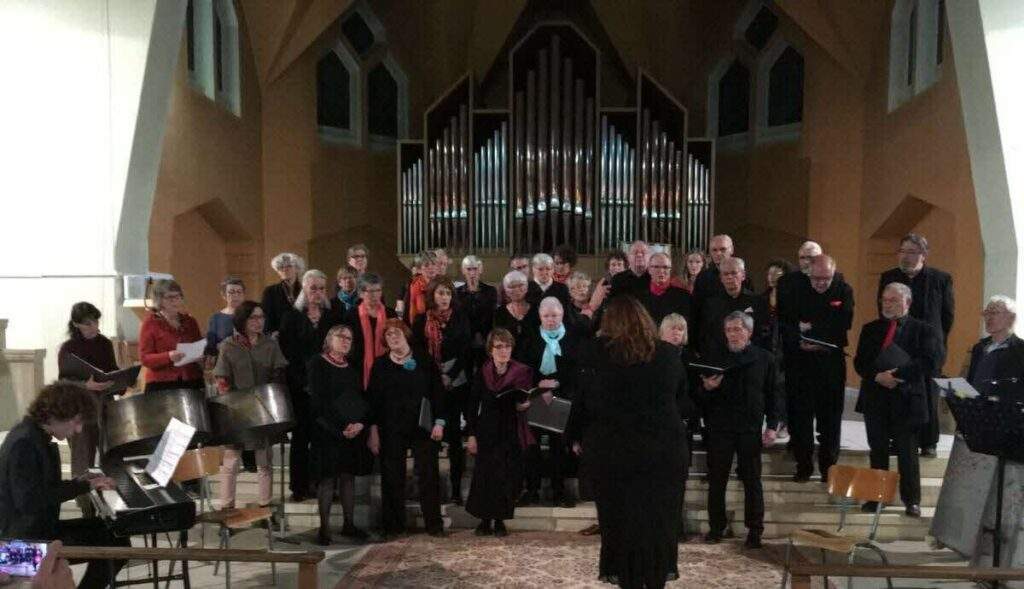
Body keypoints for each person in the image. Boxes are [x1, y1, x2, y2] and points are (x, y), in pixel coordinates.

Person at [567, 296, 692, 587]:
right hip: (664, 454)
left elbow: (582, 401)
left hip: (614, 453)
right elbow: (683, 403)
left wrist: (574, 436)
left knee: (619, 526)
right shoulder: (668, 354)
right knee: (659, 525)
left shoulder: (596, 353)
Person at [0, 382, 129, 589]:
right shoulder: (24, 443)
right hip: (15, 552)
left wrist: (85, 482)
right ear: (55, 415)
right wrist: (84, 486)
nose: (78, 430)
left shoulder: (35, 435)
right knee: (114, 546)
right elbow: (30, 501)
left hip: (35, 533)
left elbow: (42, 488)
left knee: (113, 531)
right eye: (76, 421)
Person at [931, 296, 1024, 568]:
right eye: (986, 312)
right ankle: (962, 541)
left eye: (994, 312)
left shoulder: (1021, 350)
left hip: (1004, 429)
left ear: (1010, 318)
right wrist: (959, 394)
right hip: (977, 424)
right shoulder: (979, 348)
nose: (988, 317)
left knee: (997, 495)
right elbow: (970, 383)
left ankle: (993, 553)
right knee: (970, 491)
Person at [853, 282, 943, 517]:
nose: (887, 304)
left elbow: (928, 362)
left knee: (907, 451)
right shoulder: (871, 328)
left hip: (907, 398)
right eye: (885, 300)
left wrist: (896, 375)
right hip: (876, 396)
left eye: (893, 300)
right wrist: (877, 376)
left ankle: (911, 500)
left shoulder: (924, 330)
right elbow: (860, 361)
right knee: (878, 449)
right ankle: (876, 497)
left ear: (908, 302)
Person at [695, 311, 778, 548]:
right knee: (717, 479)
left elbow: (774, 395)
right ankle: (716, 527)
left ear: (749, 332)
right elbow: (699, 398)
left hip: (750, 428)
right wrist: (708, 389)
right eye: (729, 330)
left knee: (752, 480)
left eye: (737, 329)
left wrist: (772, 426)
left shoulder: (765, 358)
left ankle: (755, 531)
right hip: (720, 428)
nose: (732, 334)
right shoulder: (713, 358)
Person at [876, 233, 954, 458]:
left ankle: (928, 442)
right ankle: (897, 438)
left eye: (911, 252)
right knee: (898, 391)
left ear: (923, 255)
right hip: (899, 344)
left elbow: (947, 316)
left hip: (929, 346)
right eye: (902, 251)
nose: (906, 257)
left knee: (928, 393)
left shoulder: (941, 279)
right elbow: (882, 309)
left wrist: (937, 342)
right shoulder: (889, 277)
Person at [366, 319, 446, 538]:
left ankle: (434, 524)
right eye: (389, 334)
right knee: (392, 476)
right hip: (391, 428)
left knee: (428, 475)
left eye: (397, 333)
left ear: (406, 334)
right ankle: (393, 526)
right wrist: (373, 432)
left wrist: (440, 422)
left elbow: (437, 392)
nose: (393, 337)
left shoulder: (423, 360)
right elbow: (373, 401)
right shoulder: (381, 365)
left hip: (423, 426)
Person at [784, 255, 854, 483]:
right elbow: (787, 322)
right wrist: (802, 336)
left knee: (831, 419)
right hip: (801, 362)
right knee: (800, 418)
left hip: (830, 363)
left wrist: (813, 329)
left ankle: (828, 469)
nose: (821, 283)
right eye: (816, 278)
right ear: (808, 274)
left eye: (826, 278)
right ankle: (803, 466)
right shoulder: (797, 289)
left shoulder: (844, 290)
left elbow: (843, 322)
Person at [277, 270, 346, 501]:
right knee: (301, 438)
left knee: (325, 438)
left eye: (321, 288)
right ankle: (299, 487)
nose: (317, 292)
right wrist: (304, 383)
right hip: (301, 388)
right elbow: (287, 355)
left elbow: (340, 349)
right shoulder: (291, 317)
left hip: (328, 387)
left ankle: (324, 485)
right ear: (304, 290)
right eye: (313, 288)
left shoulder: (333, 314)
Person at [212, 301, 287, 510]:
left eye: (261, 317)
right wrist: (233, 404)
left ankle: (265, 507)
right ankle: (227, 508)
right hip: (236, 411)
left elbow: (278, 373)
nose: (258, 322)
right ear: (242, 321)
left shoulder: (270, 344)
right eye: (253, 318)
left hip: (263, 409)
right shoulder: (229, 345)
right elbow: (221, 378)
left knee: (264, 461)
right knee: (231, 461)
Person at [308, 324, 373, 545]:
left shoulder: (352, 368)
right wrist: (340, 428)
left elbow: (359, 399)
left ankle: (349, 524)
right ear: (329, 339)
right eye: (341, 336)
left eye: (350, 338)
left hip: (351, 432)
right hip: (327, 431)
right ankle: (324, 528)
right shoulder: (317, 364)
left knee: (348, 476)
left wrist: (359, 424)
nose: (346, 341)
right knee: (327, 479)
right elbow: (318, 401)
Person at [465, 328, 533, 538]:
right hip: (486, 430)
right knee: (485, 477)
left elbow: (525, 399)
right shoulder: (482, 372)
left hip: (510, 430)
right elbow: (472, 405)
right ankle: (485, 521)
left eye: (507, 346)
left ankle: (501, 520)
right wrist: (471, 434)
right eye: (499, 347)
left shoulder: (521, 371)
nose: (504, 351)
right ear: (490, 350)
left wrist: (525, 405)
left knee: (505, 477)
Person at [412, 277, 472, 505]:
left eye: (448, 293)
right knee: (428, 438)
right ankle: (430, 491)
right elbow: (417, 351)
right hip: (429, 382)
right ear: (432, 296)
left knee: (455, 438)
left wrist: (451, 374)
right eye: (440, 293)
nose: (444, 297)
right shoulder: (420, 320)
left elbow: (466, 350)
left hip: (456, 382)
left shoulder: (461, 318)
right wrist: (436, 375)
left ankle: (456, 489)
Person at [518, 297, 583, 508]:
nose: (551, 320)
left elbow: (576, 370)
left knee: (558, 447)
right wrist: (540, 385)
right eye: (546, 316)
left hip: (562, 398)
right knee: (532, 447)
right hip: (535, 397)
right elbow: (523, 367)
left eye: (555, 315)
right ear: (540, 317)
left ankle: (558, 492)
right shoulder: (530, 337)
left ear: (562, 315)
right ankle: (532, 490)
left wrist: (554, 388)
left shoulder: (572, 337)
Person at [56, 302, 118, 518]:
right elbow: (63, 382)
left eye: (96, 322)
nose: (94, 327)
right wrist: (86, 385)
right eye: (88, 324)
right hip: (78, 411)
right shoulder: (68, 348)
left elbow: (113, 370)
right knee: (83, 461)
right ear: (76, 324)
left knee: (111, 455)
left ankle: (112, 506)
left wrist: (117, 379)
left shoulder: (104, 344)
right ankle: (87, 511)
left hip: (104, 406)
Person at [659, 313, 698, 541]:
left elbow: (691, 394)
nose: (677, 333)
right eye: (672, 329)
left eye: (681, 329)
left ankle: (677, 525)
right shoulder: (652, 356)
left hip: (683, 425)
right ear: (661, 332)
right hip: (660, 427)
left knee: (679, 478)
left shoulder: (690, 357)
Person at [139, 280, 204, 391]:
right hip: (162, 383)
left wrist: (201, 355)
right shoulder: (151, 323)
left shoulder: (190, 321)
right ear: (159, 300)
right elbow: (145, 358)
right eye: (170, 297)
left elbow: (198, 346)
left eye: (178, 296)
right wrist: (168, 356)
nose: (175, 301)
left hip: (191, 379)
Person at [694, 257, 765, 358]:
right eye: (726, 274)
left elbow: (761, 334)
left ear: (743, 275)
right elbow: (706, 335)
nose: (730, 277)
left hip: (749, 358)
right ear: (721, 278)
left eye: (734, 273)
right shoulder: (711, 304)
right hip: (719, 358)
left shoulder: (757, 301)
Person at [760, 260, 794, 442]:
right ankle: (774, 421)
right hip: (767, 348)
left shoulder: (790, 298)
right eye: (770, 274)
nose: (772, 278)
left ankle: (785, 421)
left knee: (783, 386)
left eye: (778, 275)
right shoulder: (762, 297)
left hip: (785, 348)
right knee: (771, 387)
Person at [343, 273, 397, 388]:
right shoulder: (351, 315)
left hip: (387, 368)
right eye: (371, 291)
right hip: (358, 369)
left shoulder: (390, 313)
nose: (375, 295)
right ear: (361, 293)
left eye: (378, 290)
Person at [454, 255, 499, 371]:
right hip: (465, 340)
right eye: (469, 269)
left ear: (481, 269)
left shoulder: (491, 291)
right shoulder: (456, 293)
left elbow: (490, 314)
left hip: (486, 339)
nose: (472, 273)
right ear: (463, 271)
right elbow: (459, 317)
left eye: (475, 269)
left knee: (486, 372)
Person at [493, 270, 540, 359]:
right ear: (506, 290)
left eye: (520, 285)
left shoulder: (537, 310)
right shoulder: (499, 313)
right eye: (512, 287)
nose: (517, 290)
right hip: (509, 361)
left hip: (535, 361)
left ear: (526, 287)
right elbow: (498, 340)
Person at [642, 252, 692, 327]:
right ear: (649, 270)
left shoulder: (684, 296)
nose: (661, 271)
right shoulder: (639, 296)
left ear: (670, 270)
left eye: (665, 267)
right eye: (656, 267)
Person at [261, 252, 305, 335]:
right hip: (279, 338)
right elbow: (265, 317)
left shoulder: (305, 290)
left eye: (289, 266)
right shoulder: (270, 291)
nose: (285, 269)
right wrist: (271, 333)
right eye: (281, 267)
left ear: (297, 269)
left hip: (303, 336)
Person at [205, 277, 246, 360]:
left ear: (244, 294)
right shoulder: (215, 318)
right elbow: (210, 347)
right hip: (225, 363)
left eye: (239, 292)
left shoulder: (252, 315)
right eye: (231, 292)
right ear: (224, 295)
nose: (236, 295)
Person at [404, 250, 438, 327]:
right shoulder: (414, 285)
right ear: (419, 269)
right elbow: (410, 311)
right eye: (426, 265)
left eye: (433, 264)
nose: (431, 267)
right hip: (421, 325)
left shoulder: (442, 283)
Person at [566, 271, 595, 335]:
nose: (581, 289)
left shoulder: (596, 306)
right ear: (570, 292)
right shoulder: (567, 310)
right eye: (578, 287)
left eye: (585, 286)